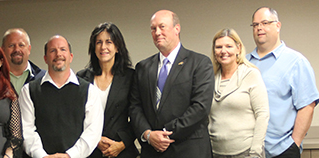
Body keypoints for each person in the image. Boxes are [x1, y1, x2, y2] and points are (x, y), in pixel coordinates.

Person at [129, 10, 214, 157]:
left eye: (162, 27)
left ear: (177, 28)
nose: (157, 32)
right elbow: (135, 107)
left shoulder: (199, 63)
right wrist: (148, 135)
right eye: (153, 28)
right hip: (152, 151)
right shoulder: (143, 67)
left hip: (188, 149)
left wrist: (164, 133)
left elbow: (200, 107)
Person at [247, 7, 319, 158]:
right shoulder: (244, 62)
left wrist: (294, 144)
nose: (259, 28)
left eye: (265, 23)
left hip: (281, 150)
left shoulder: (296, 62)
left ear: (278, 25)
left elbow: (307, 106)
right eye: (255, 25)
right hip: (248, 150)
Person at [19, 35, 104, 158]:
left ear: (71, 57)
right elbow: (27, 131)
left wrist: (69, 156)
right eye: (52, 50)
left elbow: (93, 132)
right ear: (45, 58)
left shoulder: (89, 91)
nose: (58, 54)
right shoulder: (29, 91)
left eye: (63, 49)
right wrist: (42, 156)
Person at [77, 22, 139, 158]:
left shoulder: (131, 77)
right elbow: (75, 117)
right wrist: (95, 139)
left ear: (117, 47)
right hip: (90, 150)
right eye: (99, 42)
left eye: (108, 42)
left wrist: (122, 143)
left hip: (122, 150)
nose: (103, 47)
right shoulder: (81, 78)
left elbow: (138, 115)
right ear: (93, 48)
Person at [209, 28, 269, 158]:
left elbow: (262, 114)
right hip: (216, 152)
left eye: (229, 46)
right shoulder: (211, 78)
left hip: (246, 152)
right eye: (219, 47)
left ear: (238, 48)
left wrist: (255, 152)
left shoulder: (251, 74)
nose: (223, 51)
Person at [2, 28, 46, 95]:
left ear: (29, 49)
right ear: (3, 50)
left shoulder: (44, 78)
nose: (16, 49)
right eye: (11, 45)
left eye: (21, 45)